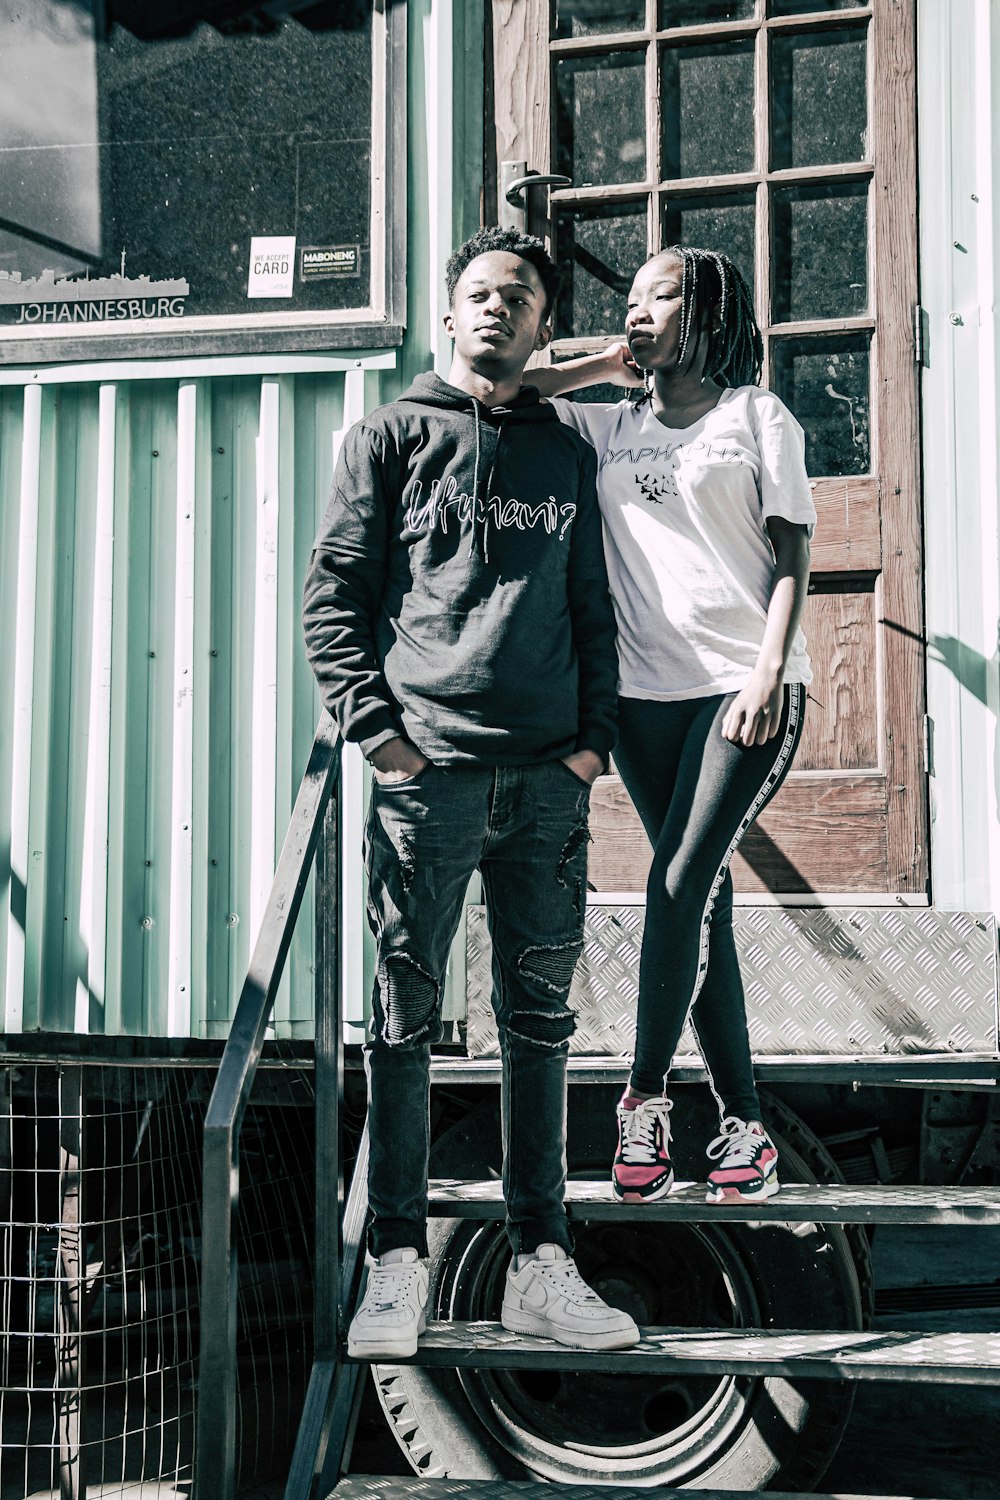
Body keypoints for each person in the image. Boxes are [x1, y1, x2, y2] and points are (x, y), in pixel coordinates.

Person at [302, 226, 639, 1360]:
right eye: (477, 294)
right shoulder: (393, 436)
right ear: (449, 314)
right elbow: (333, 602)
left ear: (546, 324)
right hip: (426, 779)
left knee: (536, 1027)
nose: (496, 309)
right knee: (399, 1024)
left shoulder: (566, 454)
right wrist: (384, 744)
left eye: (518, 297)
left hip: (547, 784)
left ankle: (540, 1263)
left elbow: (593, 607)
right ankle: (396, 1263)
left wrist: (591, 746)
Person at [529, 246, 815, 1206]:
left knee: (680, 877)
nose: (641, 311)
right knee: (703, 906)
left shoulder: (754, 418)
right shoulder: (610, 426)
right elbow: (493, 384)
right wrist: (602, 364)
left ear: (709, 311)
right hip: (643, 700)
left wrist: (770, 670)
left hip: (744, 687)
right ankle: (744, 1126)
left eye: (663, 296)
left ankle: (643, 1095)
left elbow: (792, 550)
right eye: (634, 298)